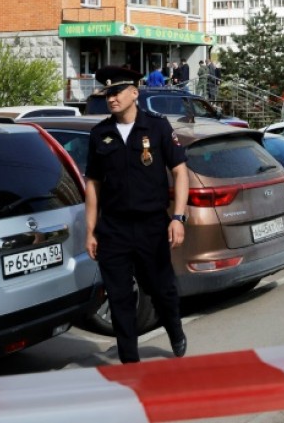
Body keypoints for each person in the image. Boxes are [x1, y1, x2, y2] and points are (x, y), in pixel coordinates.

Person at [85, 65, 189, 363]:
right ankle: (130, 362)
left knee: (161, 288)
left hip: (152, 226)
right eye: (107, 93)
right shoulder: (100, 133)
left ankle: (175, 329)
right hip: (113, 229)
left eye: (116, 91)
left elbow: (180, 173)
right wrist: (90, 231)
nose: (111, 98)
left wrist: (178, 218)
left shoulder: (157, 127)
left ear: (134, 93)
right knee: (119, 298)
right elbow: (93, 184)